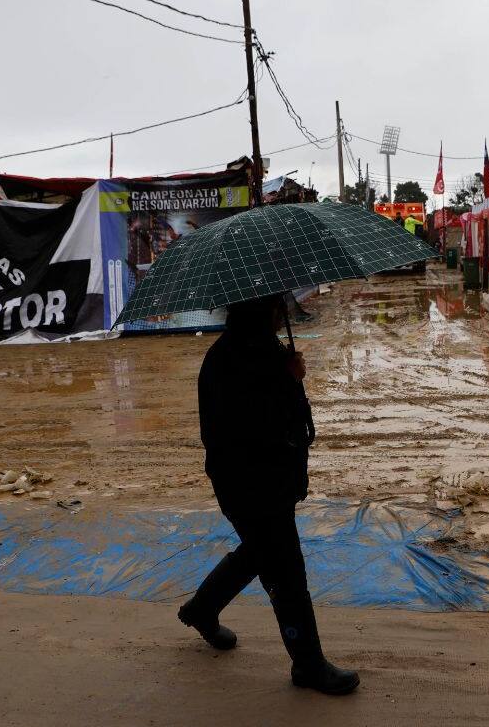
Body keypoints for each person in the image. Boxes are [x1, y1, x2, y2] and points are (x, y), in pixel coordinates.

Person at [177, 294, 360, 695]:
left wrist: (289, 377)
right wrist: (288, 381)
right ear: (260, 312)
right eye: (277, 307)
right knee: (287, 573)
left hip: (269, 481)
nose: (283, 314)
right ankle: (308, 664)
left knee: (259, 553)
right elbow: (253, 428)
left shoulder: (261, 350)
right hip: (249, 485)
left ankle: (202, 609)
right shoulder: (230, 360)